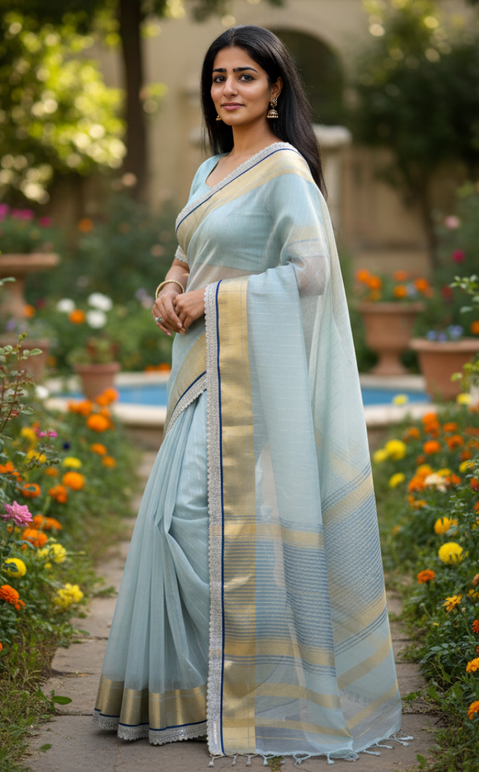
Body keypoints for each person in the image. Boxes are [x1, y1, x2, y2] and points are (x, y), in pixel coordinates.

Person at [93, 25, 410, 765]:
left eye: (244, 76)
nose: (228, 89)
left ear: (274, 89)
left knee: (196, 517)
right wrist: (169, 288)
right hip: (197, 367)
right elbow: (187, 255)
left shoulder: (284, 167)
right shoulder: (210, 170)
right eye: (218, 77)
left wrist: (210, 300)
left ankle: (256, 683)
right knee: (182, 517)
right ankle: (196, 687)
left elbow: (311, 272)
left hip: (248, 370)